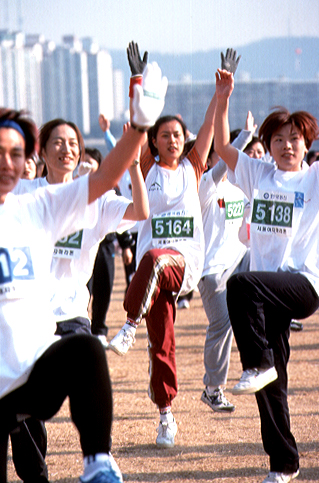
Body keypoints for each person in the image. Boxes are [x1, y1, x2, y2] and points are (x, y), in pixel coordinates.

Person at [0, 59, 167, 483]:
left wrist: (138, 127)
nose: (6, 162)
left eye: (14, 154)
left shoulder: (39, 206)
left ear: (24, 161)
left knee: (88, 351)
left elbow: (109, 179)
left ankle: (98, 465)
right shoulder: (29, 195)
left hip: (35, 356)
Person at [109, 43, 238, 448]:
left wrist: (221, 96)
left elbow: (208, 127)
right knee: (161, 345)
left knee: (154, 257)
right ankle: (166, 417)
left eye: (177, 135)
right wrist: (137, 82)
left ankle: (128, 324)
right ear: (155, 142)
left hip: (183, 264)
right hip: (152, 277)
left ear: (185, 140)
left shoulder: (192, 165)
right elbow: (137, 123)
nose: (171, 140)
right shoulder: (147, 167)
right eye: (164, 135)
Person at [214, 67, 319, 483]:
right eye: (278, 139)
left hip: (302, 284)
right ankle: (284, 464)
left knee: (239, 282)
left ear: (306, 143)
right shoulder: (258, 174)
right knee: (271, 388)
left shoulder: (313, 179)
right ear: (268, 146)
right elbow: (222, 145)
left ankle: (255, 362)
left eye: (294, 138)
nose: (287, 145)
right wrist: (223, 98)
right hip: (264, 300)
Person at [198, 111, 255, 414]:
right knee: (221, 326)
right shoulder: (206, 186)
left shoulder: (241, 187)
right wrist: (242, 138)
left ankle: (258, 365)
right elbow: (223, 164)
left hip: (240, 262)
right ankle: (212, 390)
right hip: (212, 271)